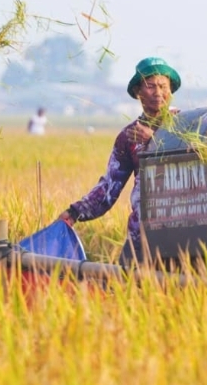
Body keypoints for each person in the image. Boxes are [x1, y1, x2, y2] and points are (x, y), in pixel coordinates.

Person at [56, 57, 182, 265]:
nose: (158, 93)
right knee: (122, 288)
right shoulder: (128, 137)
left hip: (184, 228)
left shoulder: (186, 125)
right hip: (142, 232)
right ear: (138, 92)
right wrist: (74, 212)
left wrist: (155, 140)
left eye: (163, 86)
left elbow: (199, 157)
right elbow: (108, 188)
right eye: (150, 86)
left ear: (171, 91)